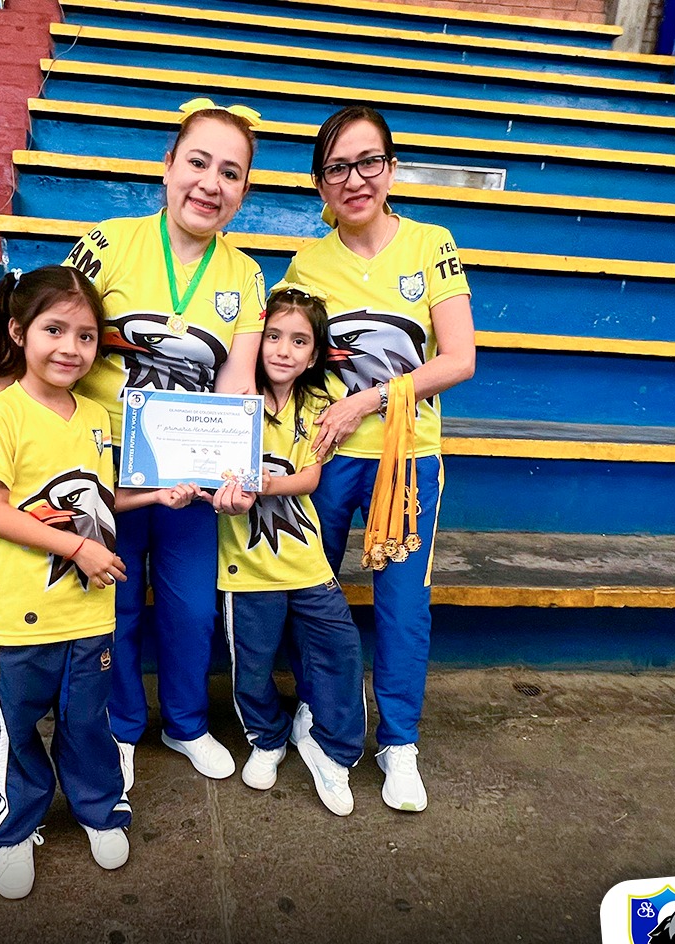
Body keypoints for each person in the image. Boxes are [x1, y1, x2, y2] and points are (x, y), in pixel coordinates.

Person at [0, 99, 267, 787]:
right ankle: (119, 726)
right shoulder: (110, 241)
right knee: (113, 603)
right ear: (168, 165)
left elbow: (238, 383)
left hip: (187, 474)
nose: (211, 184)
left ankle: (186, 723)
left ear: (244, 190)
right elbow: (51, 321)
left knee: (190, 607)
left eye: (231, 173)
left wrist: (239, 471)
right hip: (99, 462)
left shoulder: (245, 274)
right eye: (198, 162)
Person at [283, 106, 476, 813]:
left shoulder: (430, 243)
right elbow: (288, 357)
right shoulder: (308, 264)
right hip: (327, 456)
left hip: (406, 458)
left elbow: (459, 359)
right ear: (320, 183)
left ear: (390, 168)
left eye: (368, 162)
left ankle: (399, 743)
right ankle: (316, 712)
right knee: (313, 590)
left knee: (401, 604)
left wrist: (366, 401)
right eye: (337, 167)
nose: (355, 179)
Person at [0, 265, 132, 900]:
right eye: (54, 330)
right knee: (14, 727)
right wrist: (78, 548)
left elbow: (103, 497)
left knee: (87, 721)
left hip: (88, 610)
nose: (71, 348)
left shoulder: (95, 415)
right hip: (19, 613)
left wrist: (162, 495)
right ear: (18, 332)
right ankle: (16, 825)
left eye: (86, 336)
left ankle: (100, 809)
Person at [213, 283, 366, 816]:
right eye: (273, 336)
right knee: (252, 664)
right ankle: (266, 738)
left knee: (340, 649)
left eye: (299, 341)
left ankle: (333, 749)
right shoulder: (231, 399)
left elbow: (310, 477)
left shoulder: (321, 403)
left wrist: (265, 485)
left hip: (305, 559)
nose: (283, 350)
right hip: (246, 564)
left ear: (315, 354)